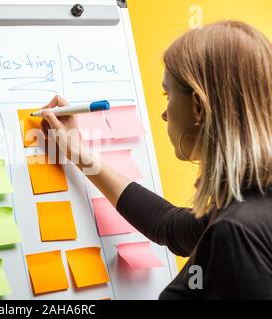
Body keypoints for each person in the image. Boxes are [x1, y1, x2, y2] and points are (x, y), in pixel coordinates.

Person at [40, 21, 272, 299]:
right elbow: (168, 224)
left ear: (198, 106)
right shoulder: (250, 206)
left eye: (168, 94)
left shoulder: (236, 232)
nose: (164, 113)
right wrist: (80, 154)